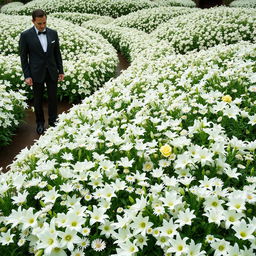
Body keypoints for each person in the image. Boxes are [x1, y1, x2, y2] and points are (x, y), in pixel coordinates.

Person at [19, 9, 64, 135]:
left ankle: (53, 121)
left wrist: (61, 70)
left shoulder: (53, 33)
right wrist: (27, 75)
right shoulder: (25, 35)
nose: (42, 26)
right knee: (37, 100)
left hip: (52, 71)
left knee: (53, 98)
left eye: (44, 22)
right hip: (36, 72)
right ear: (33, 21)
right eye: (39, 23)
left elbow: (57, 53)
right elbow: (23, 57)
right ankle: (39, 123)